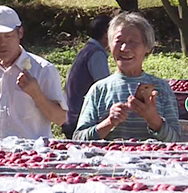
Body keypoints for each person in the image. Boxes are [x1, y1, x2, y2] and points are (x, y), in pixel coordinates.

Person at [73, 12, 180, 141]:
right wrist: (109, 122)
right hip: (108, 160)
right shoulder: (99, 90)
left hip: (151, 160)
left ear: (147, 47)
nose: (124, 48)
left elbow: (176, 141)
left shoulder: (161, 89)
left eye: (133, 42)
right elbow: (78, 140)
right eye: (119, 41)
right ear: (109, 45)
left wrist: (153, 119)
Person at [0, 5, 68, 139]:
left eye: (8, 36)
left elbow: (61, 119)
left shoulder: (43, 70)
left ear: (20, 33)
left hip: (31, 155)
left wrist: (36, 94)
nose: (2, 43)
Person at [62, 14, 112, 138]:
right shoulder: (96, 54)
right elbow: (106, 89)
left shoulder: (87, 50)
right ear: (107, 34)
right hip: (80, 121)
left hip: (72, 116)